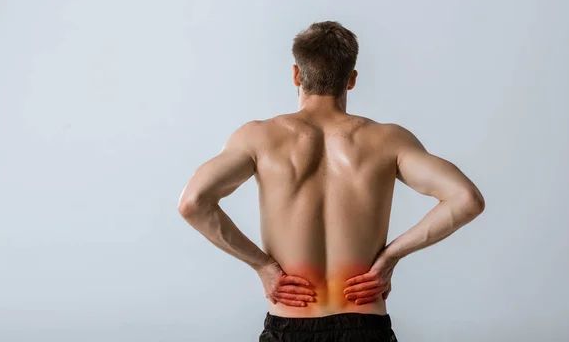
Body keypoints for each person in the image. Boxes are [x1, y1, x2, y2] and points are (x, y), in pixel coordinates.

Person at [178, 21, 485, 341]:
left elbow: (192, 202)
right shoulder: (389, 141)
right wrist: (391, 256)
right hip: (364, 321)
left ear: (296, 75)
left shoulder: (258, 138)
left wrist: (263, 266)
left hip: (290, 321)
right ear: (351, 79)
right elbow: (467, 199)